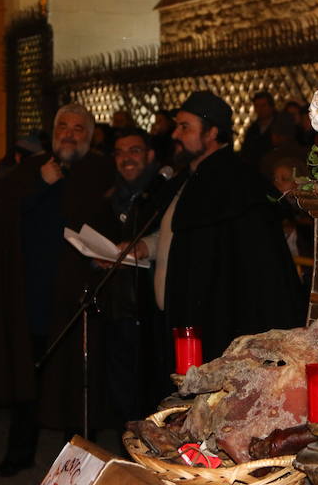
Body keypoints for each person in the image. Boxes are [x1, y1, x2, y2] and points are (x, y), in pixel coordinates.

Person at [0, 103, 115, 478]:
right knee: (30, 375)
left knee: (78, 380)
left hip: (78, 295)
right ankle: (19, 452)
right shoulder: (31, 169)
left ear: (89, 136)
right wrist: (41, 183)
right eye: (63, 126)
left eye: (78, 128)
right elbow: (8, 213)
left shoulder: (100, 170)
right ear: (52, 130)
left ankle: (79, 463)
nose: (70, 133)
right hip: (35, 295)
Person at [130, 91, 307, 363]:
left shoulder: (237, 182)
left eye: (185, 127)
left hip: (215, 329)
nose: (175, 134)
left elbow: (250, 269)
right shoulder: (187, 179)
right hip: (177, 323)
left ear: (212, 132)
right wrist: (146, 245)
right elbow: (179, 234)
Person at [100, 127, 168, 426]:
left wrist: (142, 247)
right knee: (120, 391)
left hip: (149, 308)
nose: (127, 158)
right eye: (120, 152)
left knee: (149, 393)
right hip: (115, 306)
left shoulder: (161, 193)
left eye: (135, 151)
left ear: (150, 155)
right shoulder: (111, 196)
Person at [240, 91, 278, 170]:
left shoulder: (280, 126)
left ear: (271, 106)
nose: (260, 109)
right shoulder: (252, 129)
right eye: (257, 106)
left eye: (263, 106)